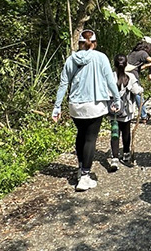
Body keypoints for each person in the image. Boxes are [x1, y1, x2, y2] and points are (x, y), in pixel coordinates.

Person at [51, 29, 120, 192]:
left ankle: (80, 168)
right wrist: (117, 99)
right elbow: (110, 80)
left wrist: (57, 106)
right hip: (95, 105)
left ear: (80, 43)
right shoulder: (101, 57)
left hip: (75, 105)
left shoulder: (71, 59)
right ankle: (85, 176)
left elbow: (63, 84)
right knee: (90, 139)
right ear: (94, 43)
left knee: (80, 135)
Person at [108, 54, 142, 170]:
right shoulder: (130, 77)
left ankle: (114, 158)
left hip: (113, 111)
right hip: (126, 111)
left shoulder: (110, 76)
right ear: (126, 64)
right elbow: (137, 90)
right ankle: (126, 153)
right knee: (126, 131)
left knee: (114, 132)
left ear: (115, 64)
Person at [126, 40, 151, 121]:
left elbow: (136, 67)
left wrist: (147, 65)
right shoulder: (143, 53)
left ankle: (127, 114)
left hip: (125, 76)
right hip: (133, 78)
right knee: (138, 95)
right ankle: (143, 115)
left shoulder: (132, 53)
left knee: (128, 97)